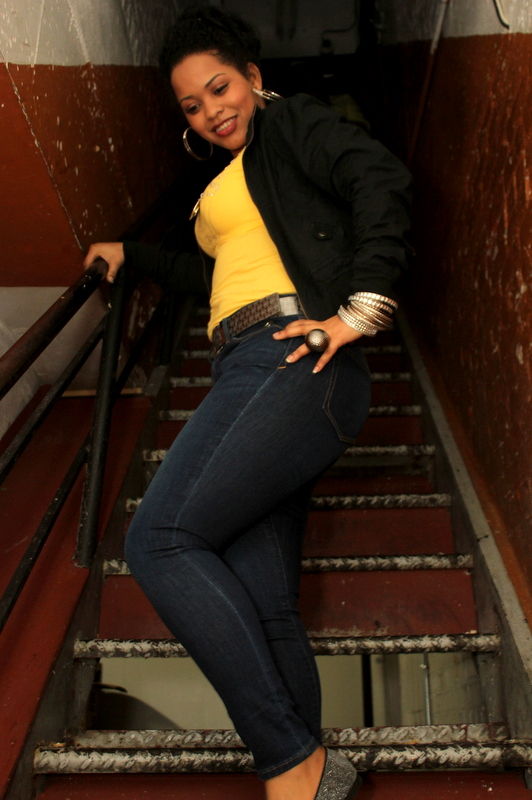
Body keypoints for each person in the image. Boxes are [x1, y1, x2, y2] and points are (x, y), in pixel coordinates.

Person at [84, 6, 411, 798]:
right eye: (192, 104)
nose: (211, 110)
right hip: (249, 363)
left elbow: (379, 177)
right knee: (266, 605)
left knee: (159, 540)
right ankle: (314, 779)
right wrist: (134, 254)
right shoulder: (229, 186)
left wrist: (361, 311)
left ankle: (290, 763)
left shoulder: (289, 126)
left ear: (253, 77)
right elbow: (213, 277)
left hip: (291, 357)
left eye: (220, 87)